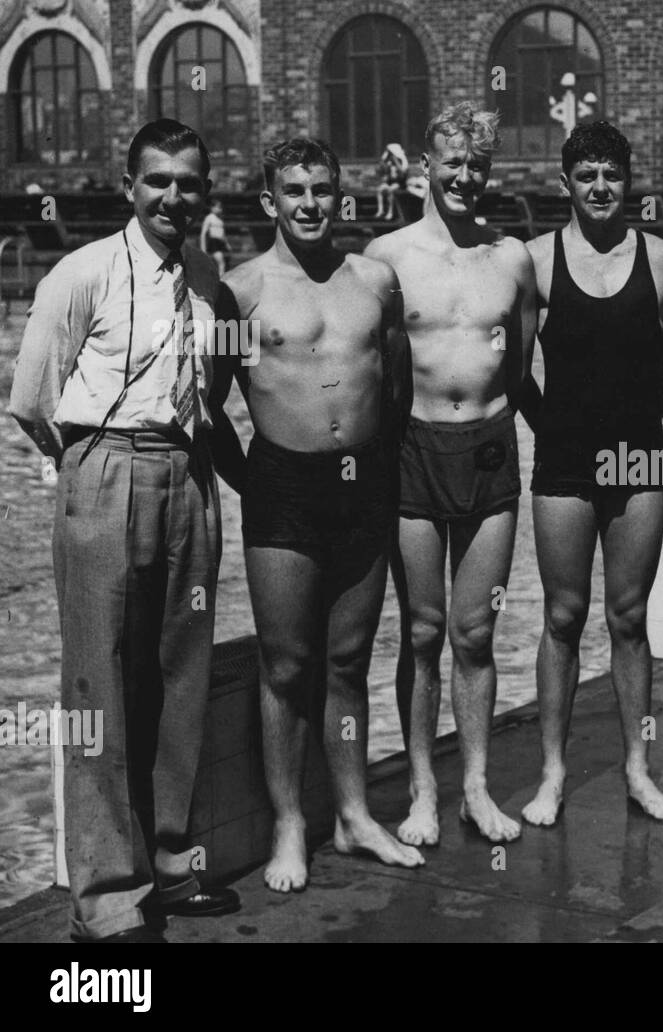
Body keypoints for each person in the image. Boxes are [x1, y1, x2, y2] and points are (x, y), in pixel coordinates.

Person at [9, 118, 246, 942]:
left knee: (181, 671)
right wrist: (89, 468)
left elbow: (213, 394)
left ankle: (173, 864)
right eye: (158, 181)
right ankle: (108, 895)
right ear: (129, 186)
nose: (173, 197)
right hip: (104, 471)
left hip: (190, 477)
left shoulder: (211, 283)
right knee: (99, 687)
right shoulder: (82, 274)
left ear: (205, 192)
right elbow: (32, 399)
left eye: (189, 183)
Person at [223, 137, 423, 892]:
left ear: (341, 196)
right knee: (287, 665)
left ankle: (353, 812)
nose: (310, 203)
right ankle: (288, 825)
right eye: (294, 191)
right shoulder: (240, 293)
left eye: (322, 189)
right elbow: (207, 407)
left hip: (362, 482)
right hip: (283, 487)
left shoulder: (374, 280)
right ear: (270, 201)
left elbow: (395, 383)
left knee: (347, 661)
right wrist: (258, 484)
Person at [364, 103, 536, 844]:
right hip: (413, 449)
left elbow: (524, 367)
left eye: (478, 165)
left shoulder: (512, 258)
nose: (466, 177)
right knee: (424, 630)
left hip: (491, 447)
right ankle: (422, 793)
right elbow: (365, 367)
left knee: (475, 630)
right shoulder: (388, 257)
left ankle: (475, 787)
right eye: (453, 163)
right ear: (425, 167)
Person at [518, 121, 663, 825]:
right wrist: (552, 427)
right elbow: (516, 367)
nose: (599, 188)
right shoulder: (535, 260)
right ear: (566, 184)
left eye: (611, 176)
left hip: (639, 459)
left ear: (629, 181)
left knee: (627, 618)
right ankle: (553, 774)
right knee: (562, 616)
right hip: (563, 458)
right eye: (586, 176)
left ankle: (637, 769)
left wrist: (640, 426)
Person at [376, 143, 408, 220]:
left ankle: (390, 212)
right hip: (390, 183)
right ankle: (381, 210)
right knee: (380, 190)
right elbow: (381, 170)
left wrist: (395, 161)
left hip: (399, 183)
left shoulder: (401, 161)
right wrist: (383, 159)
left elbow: (403, 173)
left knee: (390, 191)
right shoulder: (389, 162)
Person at [201, 198, 229, 275]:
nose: (220, 209)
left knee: (222, 263)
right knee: (221, 263)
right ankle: (221, 281)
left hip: (221, 243)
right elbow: (203, 233)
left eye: (221, 207)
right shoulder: (209, 217)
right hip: (214, 242)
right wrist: (203, 248)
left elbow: (223, 234)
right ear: (212, 208)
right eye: (218, 207)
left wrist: (227, 244)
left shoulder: (220, 220)